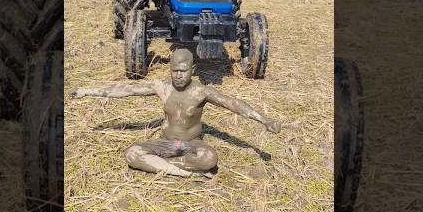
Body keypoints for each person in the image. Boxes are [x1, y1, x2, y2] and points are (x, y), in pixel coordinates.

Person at [70, 49, 281, 178]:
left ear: (192, 69)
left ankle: (163, 167)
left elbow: (234, 104)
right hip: (166, 144)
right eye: (175, 71)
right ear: (170, 69)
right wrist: (88, 91)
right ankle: (183, 172)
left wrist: (264, 119)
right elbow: (125, 90)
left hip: (191, 145)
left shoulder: (201, 91)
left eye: (184, 71)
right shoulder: (162, 87)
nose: (179, 76)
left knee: (210, 158)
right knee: (132, 153)